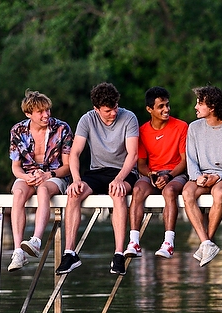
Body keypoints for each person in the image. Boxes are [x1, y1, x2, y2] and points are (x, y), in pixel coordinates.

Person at [61, 82, 139, 276]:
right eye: (107, 110)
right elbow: (75, 152)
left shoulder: (129, 117)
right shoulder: (87, 120)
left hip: (124, 171)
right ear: (96, 109)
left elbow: (133, 154)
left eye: (115, 107)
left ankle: (118, 254)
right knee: (74, 194)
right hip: (97, 171)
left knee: (117, 193)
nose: (113, 112)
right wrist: (76, 180)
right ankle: (70, 253)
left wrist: (120, 178)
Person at [7, 90, 73, 272]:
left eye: (47, 110)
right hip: (28, 175)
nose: (46, 115)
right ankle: (18, 251)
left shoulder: (62, 128)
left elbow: (67, 166)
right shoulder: (18, 130)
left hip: (55, 175)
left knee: (43, 189)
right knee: (18, 193)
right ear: (29, 114)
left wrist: (48, 174)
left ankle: (36, 240)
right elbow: (16, 167)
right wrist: (25, 177)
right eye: (41, 112)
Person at [182, 85, 222, 267]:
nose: (196, 107)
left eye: (200, 103)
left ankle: (207, 240)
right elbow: (191, 159)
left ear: (212, 107)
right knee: (187, 193)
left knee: (218, 193)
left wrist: (219, 176)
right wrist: (198, 177)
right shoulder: (193, 128)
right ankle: (206, 243)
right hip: (201, 176)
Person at [124, 86, 189, 260]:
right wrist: (152, 176)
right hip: (152, 174)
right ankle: (134, 242)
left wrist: (168, 176)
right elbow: (141, 164)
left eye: (167, 105)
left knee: (169, 191)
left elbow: (184, 161)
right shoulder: (142, 131)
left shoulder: (181, 126)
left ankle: (168, 243)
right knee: (137, 190)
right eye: (161, 106)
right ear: (149, 109)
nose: (166, 109)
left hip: (176, 174)